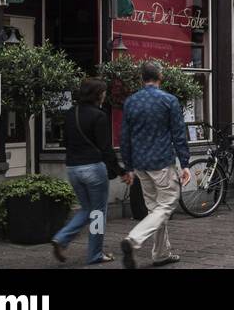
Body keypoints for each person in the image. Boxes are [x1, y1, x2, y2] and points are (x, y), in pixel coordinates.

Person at [118, 61, 191, 269]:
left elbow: (125, 137)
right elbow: (178, 135)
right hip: (161, 162)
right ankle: (133, 240)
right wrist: (185, 163)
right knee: (167, 204)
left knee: (155, 211)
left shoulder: (131, 102)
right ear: (160, 76)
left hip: (140, 164)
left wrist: (129, 166)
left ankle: (160, 254)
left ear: (143, 78)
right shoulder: (169, 101)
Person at [51, 78, 124, 265]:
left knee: (87, 209)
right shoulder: (99, 116)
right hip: (93, 168)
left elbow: (65, 142)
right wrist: (120, 170)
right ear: (98, 95)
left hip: (73, 168)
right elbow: (106, 148)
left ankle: (62, 238)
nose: (105, 95)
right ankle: (95, 254)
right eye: (104, 92)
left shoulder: (70, 114)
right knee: (98, 213)